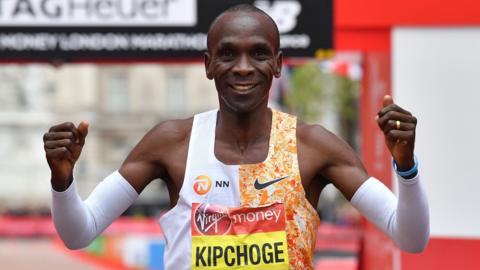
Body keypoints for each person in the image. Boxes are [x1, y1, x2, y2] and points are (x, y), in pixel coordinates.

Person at [43, 4, 429, 270]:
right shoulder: (171, 142)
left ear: (277, 65)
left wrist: (406, 167)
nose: (243, 68)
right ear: (209, 65)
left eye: (259, 54)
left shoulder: (313, 146)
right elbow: (80, 232)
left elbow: (410, 237)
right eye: (228, 54)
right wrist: (63, 181)